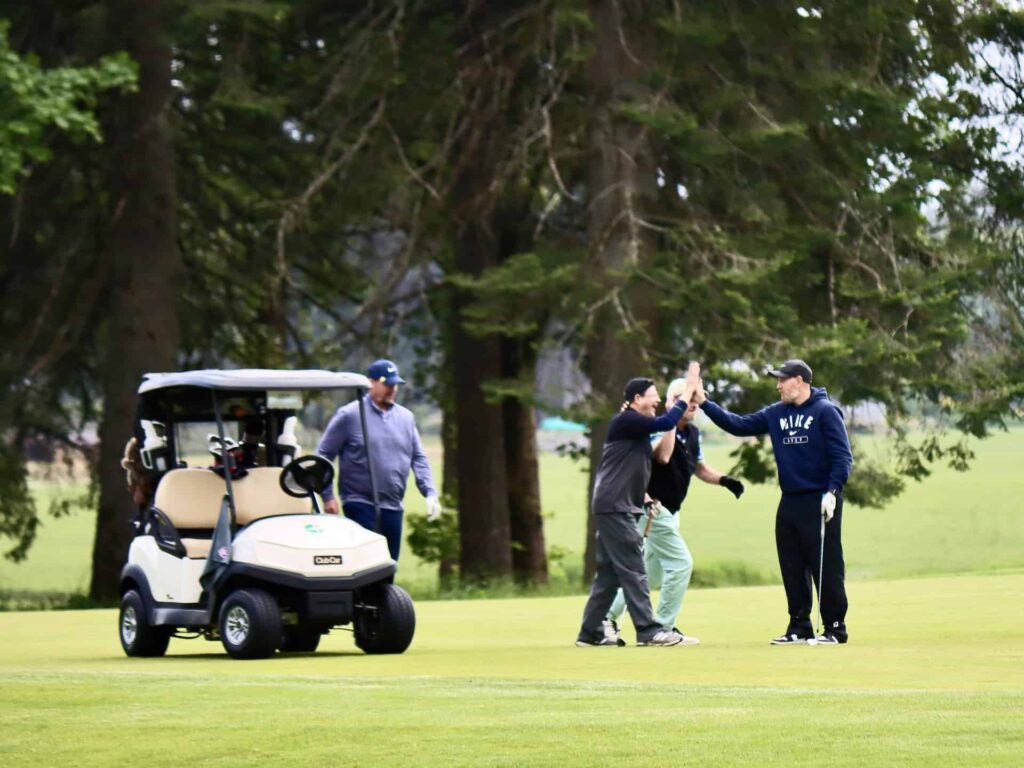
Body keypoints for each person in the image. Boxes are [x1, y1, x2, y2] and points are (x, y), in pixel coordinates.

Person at [695, 359, 853, 645]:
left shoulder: (826, 411)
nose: (778, 385)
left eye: (783, 379)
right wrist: (705, 403)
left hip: (820, 500)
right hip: (790, 500)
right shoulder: (776, 413)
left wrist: (833, 491)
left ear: (800, 380)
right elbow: (738, 425)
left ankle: (834, 627)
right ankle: (799, 626)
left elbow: (842, 457)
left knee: (825, 565)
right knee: (792, 565)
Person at [603, 377, 746, 645]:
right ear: (672, 401)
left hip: (670, 510)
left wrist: (725, 480)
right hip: (652, 507)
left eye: (695, 399)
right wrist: (670, 420)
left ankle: (606, 618)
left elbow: (699, 468)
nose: (693, 404)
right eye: (686, 398)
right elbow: (660, 456)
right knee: (681, 564)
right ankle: (661, 628)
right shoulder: (657, 429)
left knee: (649, 573)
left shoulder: (692, 433)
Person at [575, 363, 701, 648]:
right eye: (652, 396)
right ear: (636, 399)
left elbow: (644, 462)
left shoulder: (634, 427)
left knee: (609, 574)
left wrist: (644, 497)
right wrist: (689, 388)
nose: (656, 400)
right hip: (616, 507)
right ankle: (648, 631)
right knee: (634, 568)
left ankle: (590, 633)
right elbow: (667, 422)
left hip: (617, 505)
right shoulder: (628, 420)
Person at [316, 359, 441, 561]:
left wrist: (430, 492)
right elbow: (324, 454)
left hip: (393, 505)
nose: (392, 389)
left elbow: (418, 457)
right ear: (371, 383)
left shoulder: (406, 418)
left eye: (395, 385)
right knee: (367, 564)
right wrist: (327, 495)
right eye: (386, 384)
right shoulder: (350, 415)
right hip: (359, 501)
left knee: (389, 565)